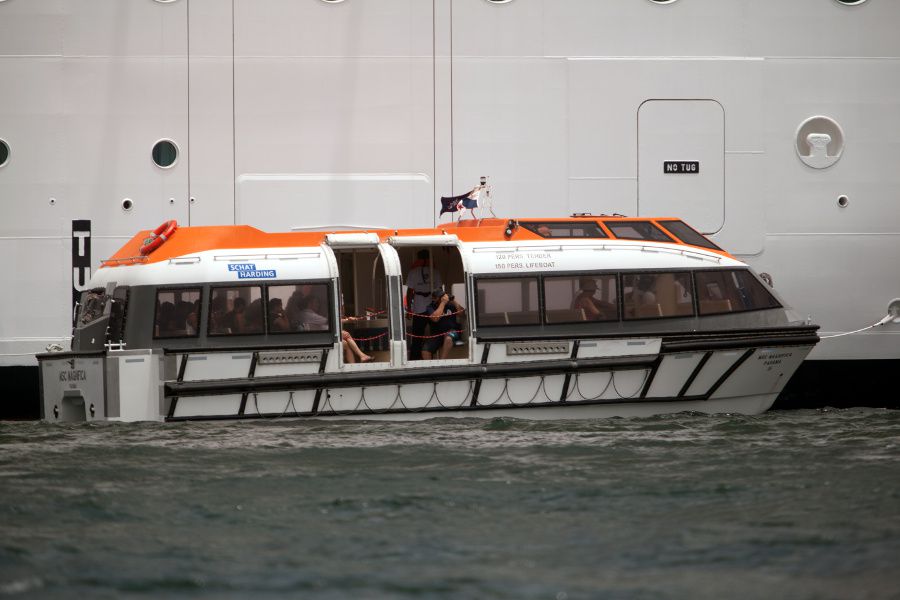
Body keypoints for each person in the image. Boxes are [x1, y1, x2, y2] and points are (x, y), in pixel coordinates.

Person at [405, 249, 442, 359]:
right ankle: (433, 356)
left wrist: (409, 309)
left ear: (418, 258)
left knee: (417, 335)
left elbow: (409, 292)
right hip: (432, 305)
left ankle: (414, 358)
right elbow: (440, 289)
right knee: (435, 334)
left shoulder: (413, 272)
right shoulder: (435, 271)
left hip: (418, 305)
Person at [422, 289, 464, 360]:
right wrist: (443, 304)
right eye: (440, 297)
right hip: (437, 334)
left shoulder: (450, 305)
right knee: (425, 350)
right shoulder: (430, 307)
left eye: (443, 296)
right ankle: (431, 369)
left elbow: (462, 314)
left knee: (448, 339)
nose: (443, 298)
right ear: (434, 299)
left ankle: (442, 362)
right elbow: (435, 319)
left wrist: (454, 301)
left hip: (451, 331)